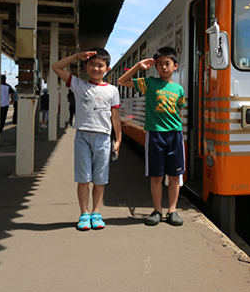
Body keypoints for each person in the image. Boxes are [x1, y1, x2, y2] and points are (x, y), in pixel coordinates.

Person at [51, 48, 122, 231]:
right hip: (82, 136)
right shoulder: (78, 84)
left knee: (100, 179)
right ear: (85, 66)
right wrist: (76, 56)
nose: (96, 68)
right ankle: (84, 213)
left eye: (100, 65)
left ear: (108, 69)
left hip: (104, 138)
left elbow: (115, 117)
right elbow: (56, 67)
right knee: (83, 178)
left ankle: (96, 213)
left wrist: (118, 139)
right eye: (92, 64)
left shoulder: (113, 90)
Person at [117, 46, 185, 226]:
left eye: (167, 64)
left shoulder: (179, 89)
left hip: (175, 135)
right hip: (155, 135)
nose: (163, 67)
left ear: (175, 66)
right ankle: (157, 211)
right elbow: (122, 81)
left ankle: (172, 211)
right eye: (160, 64)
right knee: (156, 176)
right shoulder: (149, 83)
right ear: (156, 67)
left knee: (174, 176)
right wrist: (138, 66)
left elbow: (178, 110)